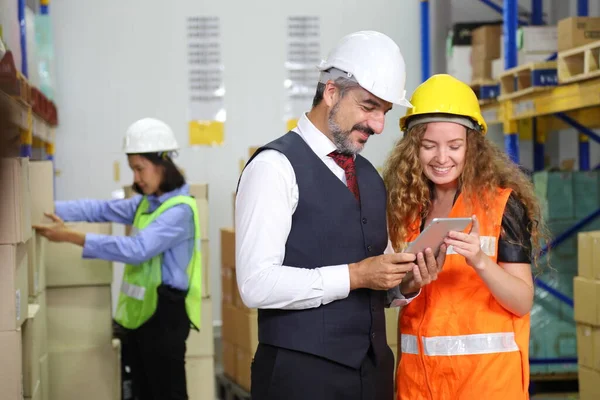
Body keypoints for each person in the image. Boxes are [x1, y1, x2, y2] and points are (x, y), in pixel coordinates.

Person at [235, 31, 446, 400]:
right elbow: (255, 284)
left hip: (371, 375)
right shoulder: (274, 168)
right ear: (331, 91)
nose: (379, 125)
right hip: (299, 378)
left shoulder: (368, 176)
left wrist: (406, 283)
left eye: (385, 112)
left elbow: (372, 289)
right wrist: (356, 274)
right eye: (369, 107)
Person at [383, 74, 548, 400]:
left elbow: (522, 301)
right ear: (412, 148)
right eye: (429, 146)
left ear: (473, 147)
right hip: (418, 386)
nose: (441, 158)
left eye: (454, 146)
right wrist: (410, 284)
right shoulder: (404, 207)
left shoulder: (502, 205)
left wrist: (479, 261)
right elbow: (395, 293)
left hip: (486, 385)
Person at [34, 118, 203, 400]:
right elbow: (99, 209)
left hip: (166, 316)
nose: (136, 178)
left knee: (166, 393)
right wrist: (41, 207)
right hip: (140, 316)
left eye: (140, 169)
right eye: (132, 169)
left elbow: (137, 249)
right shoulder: (146, 204)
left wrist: (71, 237)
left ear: (163, 163)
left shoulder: (179, 212)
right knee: (140, 391)